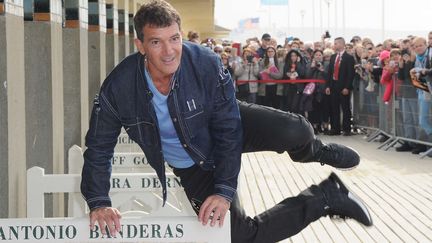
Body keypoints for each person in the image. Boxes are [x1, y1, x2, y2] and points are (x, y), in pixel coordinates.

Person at [81, 1, 373, 242]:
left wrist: (224, 190)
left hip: (222, 124)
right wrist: (99, 201)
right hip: (191, 165)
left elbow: (227, 128)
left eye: (174, 39)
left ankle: (314, 151)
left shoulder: (204, 62)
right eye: (156, 42)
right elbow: (98, 147)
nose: (169, 51)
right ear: (141, 45)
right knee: (237, 237)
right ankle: (324, 197)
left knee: (295, 129)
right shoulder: (118, 88)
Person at [326, 37, 355, 136]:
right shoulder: (333, 57)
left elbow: (350, 74)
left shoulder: (349, 58)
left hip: (343, 87)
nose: (334, 45)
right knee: (334, 108)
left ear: (342, 44)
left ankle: (347, 129)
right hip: (333, 85)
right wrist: (328, 86)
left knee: (345, 108)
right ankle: (335, 128)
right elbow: (330, 72)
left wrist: (347, 87)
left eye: (336, 43)